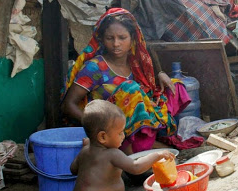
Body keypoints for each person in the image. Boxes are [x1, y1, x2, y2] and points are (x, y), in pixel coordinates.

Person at [62, 8, 203, 154]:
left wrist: (160, 75)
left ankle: (147, 140)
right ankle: (135, 149)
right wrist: (98, 127)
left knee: (175, 87)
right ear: (102, 40)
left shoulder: (135, 63)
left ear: (132, 39)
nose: (116, 44)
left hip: (130, 123)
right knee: (131, 89)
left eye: (122, 38)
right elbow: (68, 105)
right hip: (108, 125)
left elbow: (147, 89)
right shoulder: (94, 67)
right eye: (110, 38)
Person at [70, 100, 175, 191]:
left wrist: (86, 148)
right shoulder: (112, 154)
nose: (123, 136)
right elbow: (136, 167)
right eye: (119, 133)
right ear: (102, 137)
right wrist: (156, 155)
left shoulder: (85, 151)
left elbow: (73, 169)